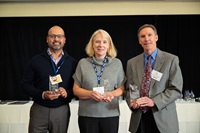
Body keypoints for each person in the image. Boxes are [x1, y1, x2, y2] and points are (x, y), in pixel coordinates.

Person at [125, 24, 183, 133]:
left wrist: (153, 101)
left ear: (156, 37)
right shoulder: (131, 63)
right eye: (142, 36)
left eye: (149, 35)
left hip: (163, 118)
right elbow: (130, 89)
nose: (146, 39)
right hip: (140, 119)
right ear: (139, 41)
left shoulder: (171, 60)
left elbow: (176, 90)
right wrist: (131, 101)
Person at [21, 25, 77, 133]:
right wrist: (42, 94)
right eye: (53, 36)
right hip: (39, 108)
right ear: (47, 39)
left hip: (61, 110)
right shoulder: (35, 60)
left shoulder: (72, 63)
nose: (56, 39)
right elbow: (24, 85)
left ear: (64, 40)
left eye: (59, 36)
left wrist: (67, 92)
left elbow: (76, 87)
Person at [72, 29, 126, 133]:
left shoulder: (117, 63)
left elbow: (121, 88)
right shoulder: (82, 63)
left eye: (104, 42)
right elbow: (76, 90)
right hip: (87, 115)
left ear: (109, 45)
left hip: (110, 114)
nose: (101, 45)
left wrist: (111, 94)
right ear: (92, 44)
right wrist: (90, 94)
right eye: (97, 41)